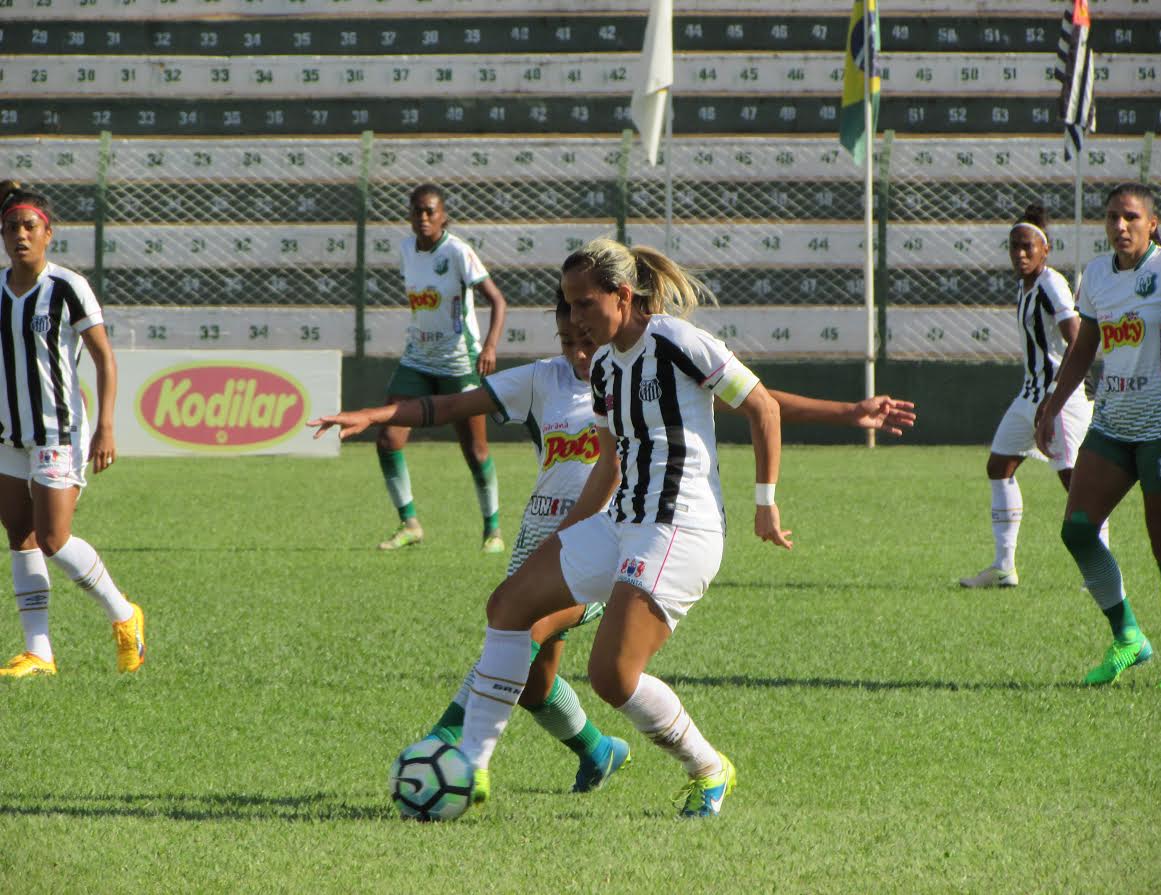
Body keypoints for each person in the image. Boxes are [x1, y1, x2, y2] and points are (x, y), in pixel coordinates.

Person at [312, 294, 917, 795]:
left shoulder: (649, 367)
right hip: (546, 536)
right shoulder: (546, 380)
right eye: (567, 338)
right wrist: (374, 413)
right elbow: (448, 404)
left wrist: (847, 412)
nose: (579, 351)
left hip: (622, 537)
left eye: (585, 337)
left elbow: (759, 401)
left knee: (531, 632)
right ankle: (598, 750)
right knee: (534, 683)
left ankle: (456, 754)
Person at [440, 236, 793, 820]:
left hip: (679, 527)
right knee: (507, 606)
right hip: (622, 522)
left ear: (622, 295)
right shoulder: (605, 365)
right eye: (569, 305)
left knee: (611, 675)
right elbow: (609, 462)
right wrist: (566, 537)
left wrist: (765, 502)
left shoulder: (677, 342)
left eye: (584, 304)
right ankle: (471, 766)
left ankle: (709, 768)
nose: (575, 318)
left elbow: (764, 408)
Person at [1036, 182, 1161, 689]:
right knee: (1077, 530)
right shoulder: (1097, 276)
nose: (1119, 227)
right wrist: (1053, 404)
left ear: (1152, 223)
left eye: (1130, 217)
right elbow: (1085, 345)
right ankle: (1128, 637)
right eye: (1111, 218)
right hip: (1112, 423)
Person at [0, 182, 145, 678]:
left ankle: (124, 616)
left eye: (29, 227)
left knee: (54, 538)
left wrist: (105, 427)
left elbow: (104, 358)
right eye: (11, 227)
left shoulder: (67, 287)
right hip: (7, 436)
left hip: (59, 432)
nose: (20, 235)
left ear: (47, 234)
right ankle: (39, 652)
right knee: (20, 535)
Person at [961, 203, 1102, 589]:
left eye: (1027, 247)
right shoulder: (1024, 288)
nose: (1020, 254)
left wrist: (1055, 392)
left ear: (1045, 249)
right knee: (999, 466)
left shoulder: (1051, 283)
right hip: (1030, 395)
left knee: (1074, 481)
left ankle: (1099, 568)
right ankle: (1004, 567)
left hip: (1062, 396)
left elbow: (1078, 338)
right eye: (1014, 247)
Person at [375, 184, 508, 554]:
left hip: (457, 361)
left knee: (475, 450)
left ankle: (493, 530)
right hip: (417, 358)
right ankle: (410, 523)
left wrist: (491, 346)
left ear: (443, 215)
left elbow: (497, 300)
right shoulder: (406, 250)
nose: (423, 218)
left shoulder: (457, 252)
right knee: (388, 439)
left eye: (430, 211)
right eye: (417, 211)